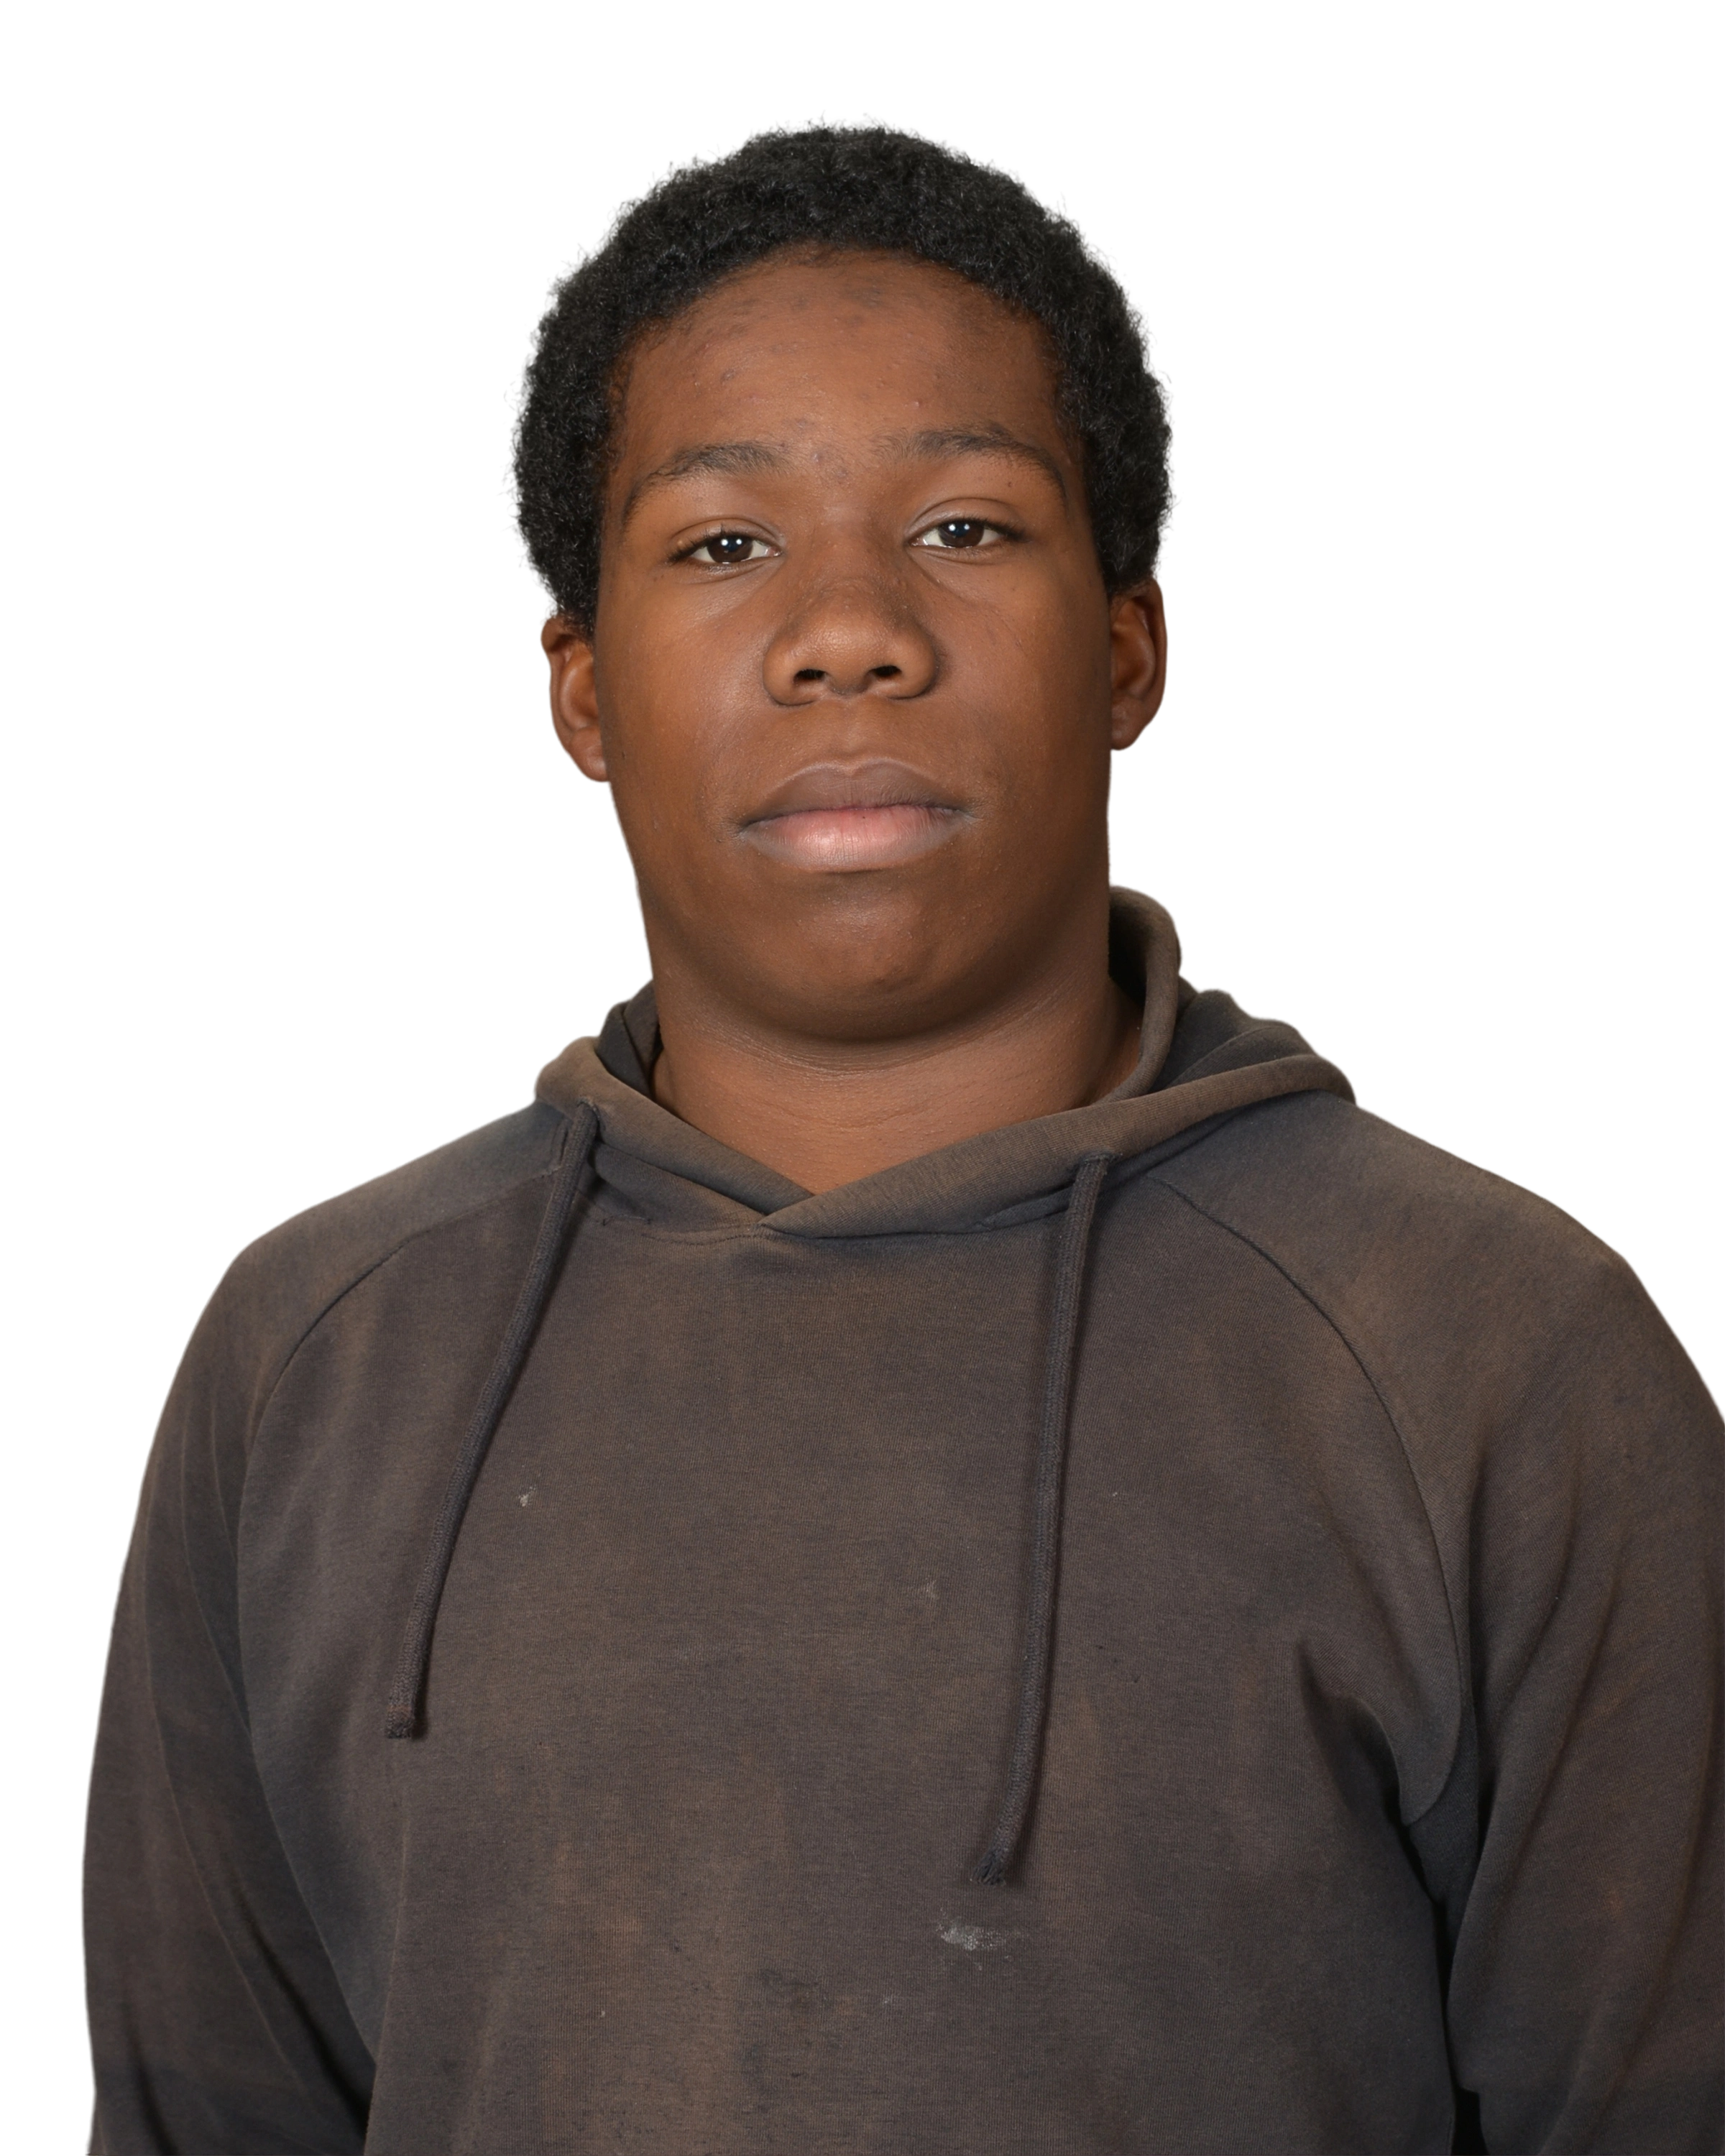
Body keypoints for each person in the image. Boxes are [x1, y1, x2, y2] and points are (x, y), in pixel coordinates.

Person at [80, 111, 1721, 2156]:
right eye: (722, 544)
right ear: (580, 692)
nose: (847, 629)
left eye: (965, 527)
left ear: (1128, 646)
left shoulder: (1490, 1350)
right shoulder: (316, 1359)